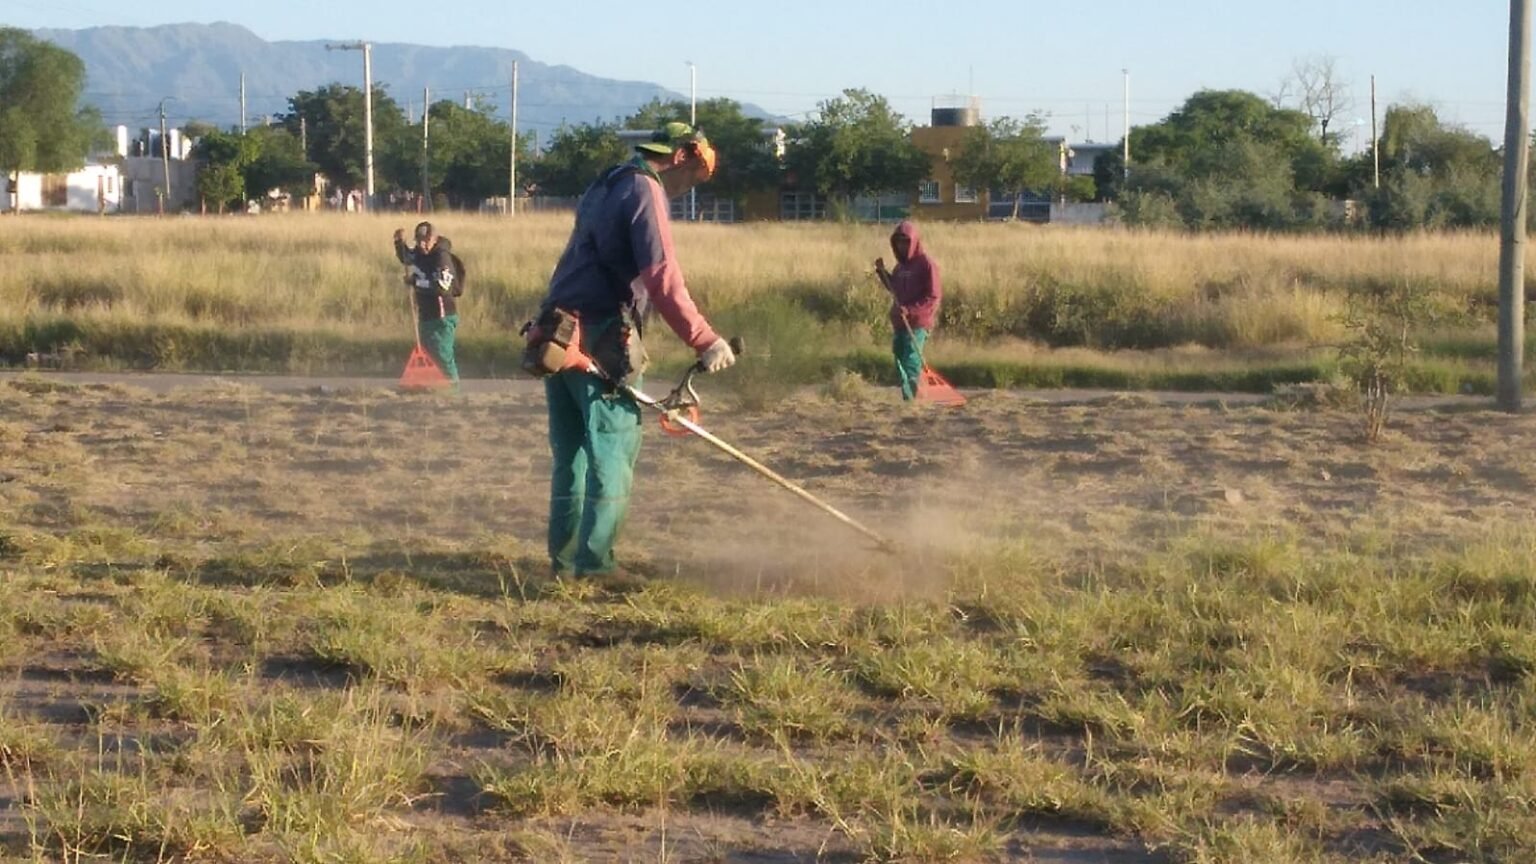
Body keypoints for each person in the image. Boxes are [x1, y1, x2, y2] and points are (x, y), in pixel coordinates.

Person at [535, 121, 735, 580]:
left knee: (573, 454)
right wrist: (704, 339)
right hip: (602, 336)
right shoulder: (646, 190)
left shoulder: (606, 182)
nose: (688, 190)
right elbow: (662, 274)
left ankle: (564, 561)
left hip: (557, 332)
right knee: (612, 448)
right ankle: (596, 564)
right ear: (682, 155)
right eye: (694, 178)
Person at [873, 220, 942, 401]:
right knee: (899, 357)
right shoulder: (900, 267)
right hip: (900, 323)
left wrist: (911, 311)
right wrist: (882, 272)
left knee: (911, 359)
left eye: (905, 242)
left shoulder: (926, 264)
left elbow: (933, 296)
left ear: (914, 242)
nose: (902, 246)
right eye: (898, 243)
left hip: (918, 324)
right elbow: (894, 289)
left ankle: (916, 399)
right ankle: (908, 398)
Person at [393, 220, 465, 389]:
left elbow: (442, 286)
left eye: (426, 240)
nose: (422, 245)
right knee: (429, 353)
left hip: (442, 316)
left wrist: (416, 282)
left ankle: (453, 390)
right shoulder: (419, 252)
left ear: (435, 238)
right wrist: (399, 242)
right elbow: (407, 258)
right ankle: (435, 387)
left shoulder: (442, 257)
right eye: (418, 241)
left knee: (442, 354)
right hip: (426, 314)